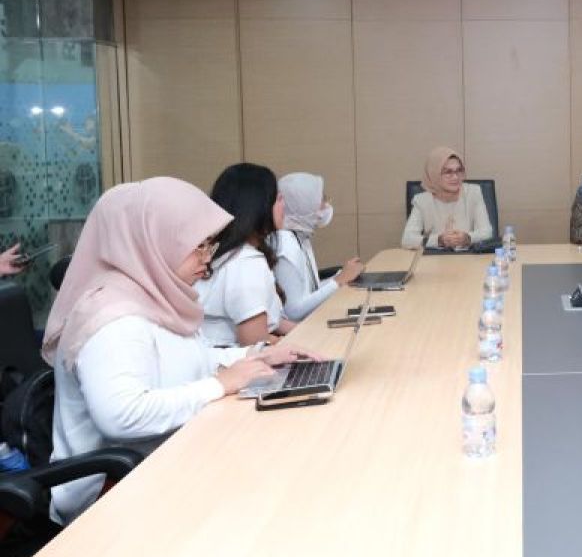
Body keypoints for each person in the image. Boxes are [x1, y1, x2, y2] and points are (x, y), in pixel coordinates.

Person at [42, 177, 315, 525]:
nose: (207, 259)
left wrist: (255, 356)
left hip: (165, 463)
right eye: (197, 247)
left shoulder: (154, 295)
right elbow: (122, 416)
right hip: (108, 495)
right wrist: (220, 385)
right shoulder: (111, 318)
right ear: (152, 242)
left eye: (209, 245)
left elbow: (192, 358)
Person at [196, 163, 295, 346]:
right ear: (257, 207)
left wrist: (306, 331)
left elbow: (266, 317)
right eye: (278, 198)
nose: (284, 205)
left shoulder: (220, 251)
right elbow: (255, 345)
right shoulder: (246, 263)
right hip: (236, 360)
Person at [272, 172, 363, 321]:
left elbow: (310, 292)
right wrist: (338, 281)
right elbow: (293, 312)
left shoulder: (301, 236)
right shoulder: (285, 244)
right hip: (299, 328)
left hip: (311, 321)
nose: (326, 205)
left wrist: (342, 276)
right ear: (303, 204)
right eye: (321, 199)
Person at [402, 147, 494, 249]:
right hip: (435, 258)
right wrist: (439, 240)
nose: (455, 177)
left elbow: (487, 232)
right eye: (448, 172)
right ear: (434, 174)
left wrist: (468, 238)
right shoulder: (421, 201)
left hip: (468, 256)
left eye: (459, 170)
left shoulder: (473, 193)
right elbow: (407, 239)